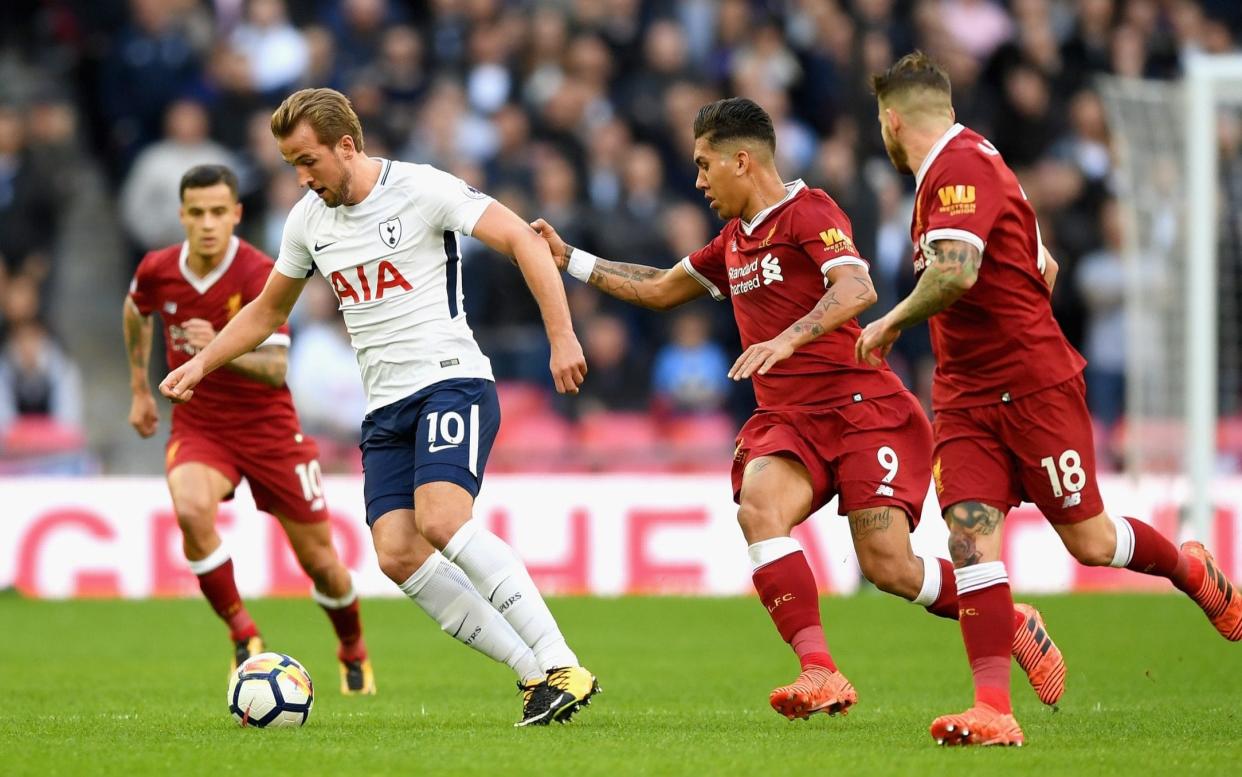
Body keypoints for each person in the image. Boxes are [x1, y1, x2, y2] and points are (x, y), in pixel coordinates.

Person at [531, 97, 1064, 722]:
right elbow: (656, 289)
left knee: (889, 568)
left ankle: (1013, 620)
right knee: (758, 509)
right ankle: (820, 670)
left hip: (864, 410)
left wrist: (789, 337)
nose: (698, 181)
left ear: (741, 159)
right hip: (791, 423)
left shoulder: (809, 212)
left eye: (705, 166)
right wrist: (572, 260)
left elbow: (857, 287)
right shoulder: (733, 243)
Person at [159, 89, 598, 727]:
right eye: (290, 165)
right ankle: (533, 676)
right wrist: (202, 363)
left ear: (347, 145)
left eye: (308, 160)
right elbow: (266, 311)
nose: (302, 178)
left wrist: (562, 336)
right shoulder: (308, 221)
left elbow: (524, 241)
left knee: (443, 518)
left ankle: (562, 663)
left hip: (451, 381)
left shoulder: (423, 189)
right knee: (396, 553)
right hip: (384, 406)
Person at [858, 51, 1241, 748]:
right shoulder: (956, 173)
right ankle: (993, 708)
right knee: (969, 535)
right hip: (967, 394)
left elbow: (959, 270)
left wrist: (890, 320)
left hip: (1033, 386)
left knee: (1090, 540)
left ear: (891, 121)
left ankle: (1189, 566)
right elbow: (1044, 261)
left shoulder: (961, 167)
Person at [124, 164, 375, 694]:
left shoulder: (262, 271)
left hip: (270, 431)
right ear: (182, 216)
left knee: (322, 564)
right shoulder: (157, 269)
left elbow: (275, 369)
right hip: (201, 426)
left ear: (236, 214)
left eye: (219, 212)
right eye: (197, 213)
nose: (208, 223)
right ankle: (243, 632)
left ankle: (352, 647)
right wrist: (140, 389)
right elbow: (135, 308)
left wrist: (214, 347)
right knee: (191, 511)